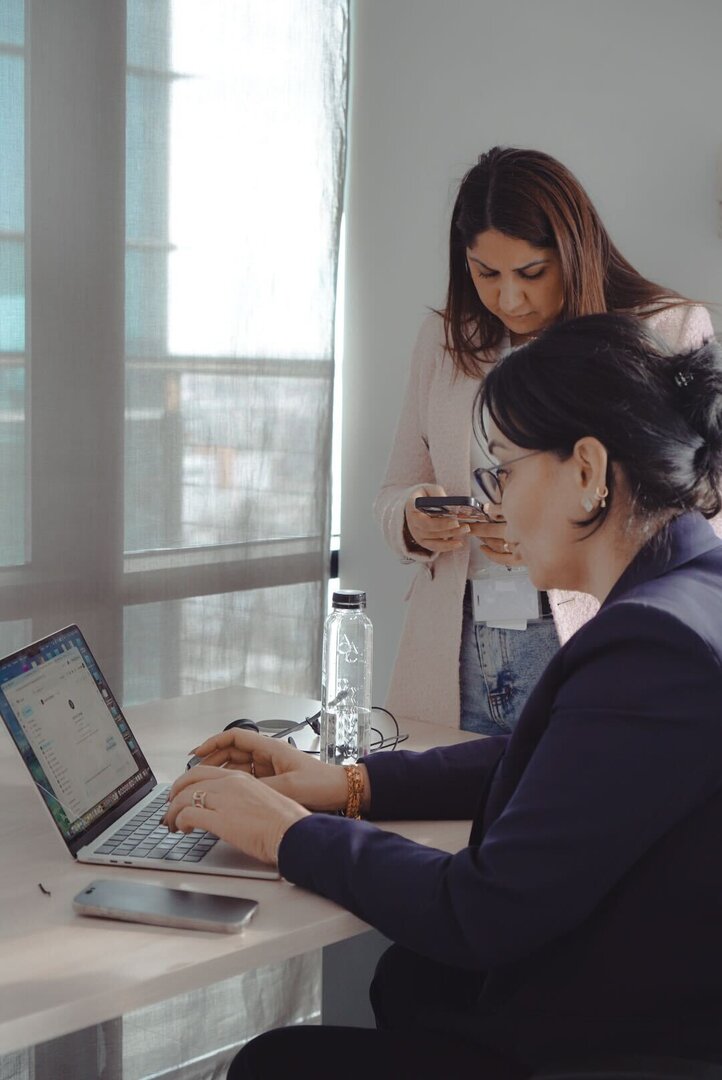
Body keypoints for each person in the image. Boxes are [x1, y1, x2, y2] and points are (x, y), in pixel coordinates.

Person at [165, 313, 722, 1078]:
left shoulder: (654, 645)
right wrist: (350, 784)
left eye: (504, 472)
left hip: (609, 1049)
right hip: (619, 1010)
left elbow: (482, 911)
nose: (495, 505)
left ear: (588, 471)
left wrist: (285, 832)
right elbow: (561, 759)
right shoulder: (693, 594)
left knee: (274, 1063)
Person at [374, 146, 715, 736]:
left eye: (531, 273)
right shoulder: (444, 342)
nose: (509, 299)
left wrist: (547, 531)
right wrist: (410, 518)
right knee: (428, 791)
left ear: (575, 253)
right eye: (486, 273)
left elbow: (706, 513)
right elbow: (394, 488)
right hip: (454, 650)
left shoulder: (665, 330)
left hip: (588, 634)